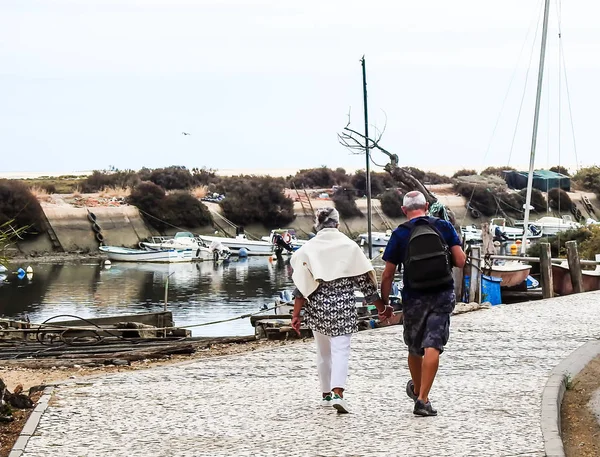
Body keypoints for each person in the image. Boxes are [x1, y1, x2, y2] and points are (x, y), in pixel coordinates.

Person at [290, 207, 392, 414]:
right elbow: (366, 285)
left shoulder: (309, 248)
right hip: (343, 308)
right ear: (337, 223)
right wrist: (382, 308)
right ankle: (338, 393)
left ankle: (326, 395)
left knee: (323, 352)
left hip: (317, 308)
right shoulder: (349, 246)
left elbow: (301, 285)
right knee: (341, 351)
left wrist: (295, 314)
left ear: (318, 224)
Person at [381, 191, 466, 417]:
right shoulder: (443, 227)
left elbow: (388, 275)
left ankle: (420, 391)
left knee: (414, 347)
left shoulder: (400, 233)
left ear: (403, 210)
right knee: (433, 344)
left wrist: (385, 304)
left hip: (414, 297)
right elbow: (460, 260)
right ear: (426, 206)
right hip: (442, 294)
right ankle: (422, 398)